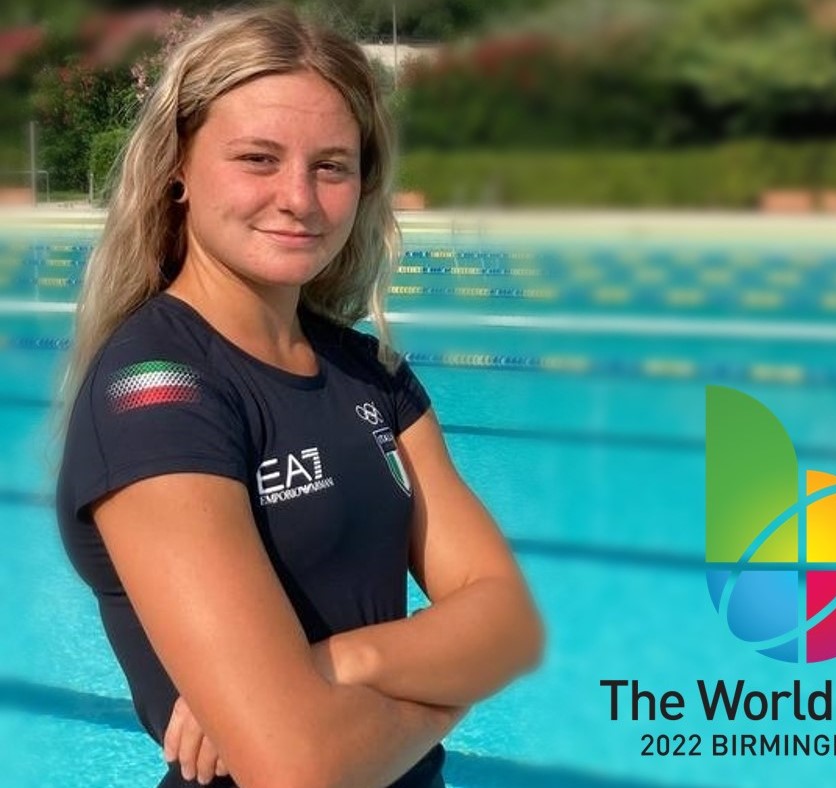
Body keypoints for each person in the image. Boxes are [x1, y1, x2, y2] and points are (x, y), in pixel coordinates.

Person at [54, 6, 544, 787]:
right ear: (178, 166)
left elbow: (512, 626)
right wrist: (452, 684)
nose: (299, 199)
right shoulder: (155, 394)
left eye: (332, 166)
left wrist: (340, 662)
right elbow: (297, 769)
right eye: (258, 158)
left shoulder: (369, 372)